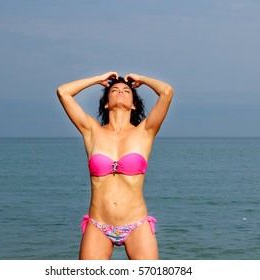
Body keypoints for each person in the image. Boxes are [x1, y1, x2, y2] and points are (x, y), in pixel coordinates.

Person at [57, 72, 173, 259]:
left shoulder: (145, 131)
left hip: (136, 224)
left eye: (127, 90)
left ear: (133, 104)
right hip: (98, 225)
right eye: (114, 90)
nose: (120, 92)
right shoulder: (91, 131)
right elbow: (63, 92)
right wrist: (98, 79)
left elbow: (166, 92)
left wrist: (142, 79)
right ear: (106, 103)